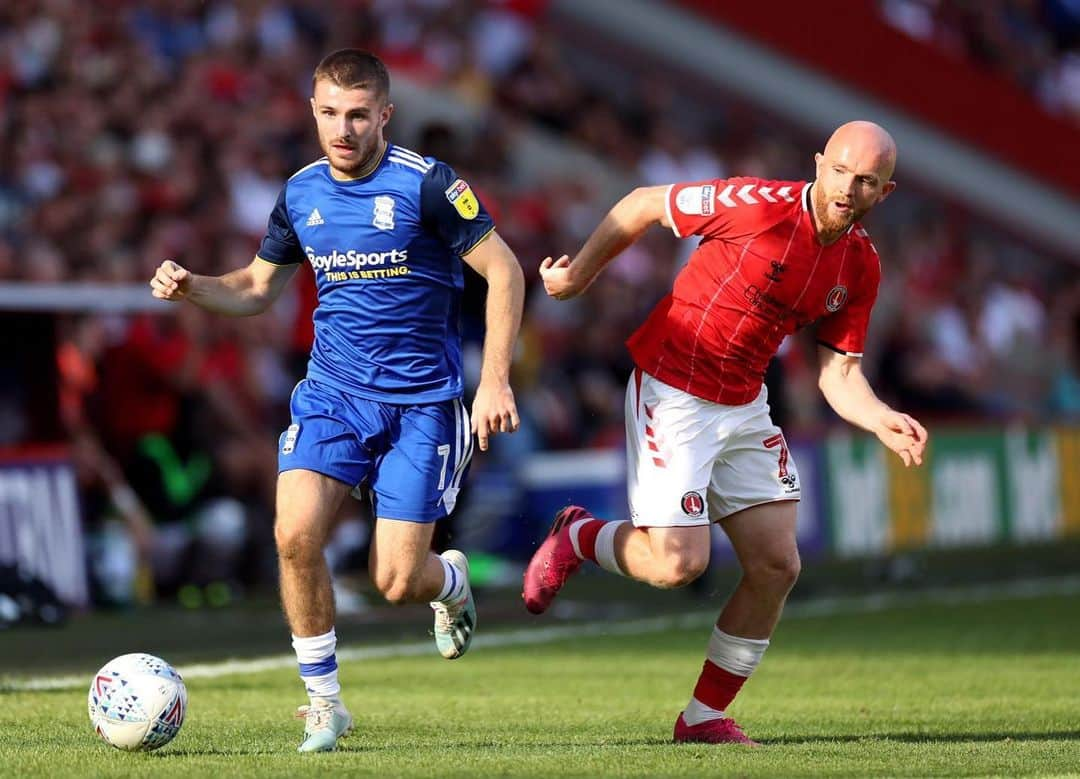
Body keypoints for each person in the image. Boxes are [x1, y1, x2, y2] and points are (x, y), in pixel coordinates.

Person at [150, 49, 525, 752]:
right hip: (333, 395)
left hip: (422, 405)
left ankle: (448, 580)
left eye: (358, 115)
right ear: (313, 111)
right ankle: (325, 703)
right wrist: (193, 285)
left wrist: (494, 379)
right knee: (294, 534)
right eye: (329, 113)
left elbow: (503, 270)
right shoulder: (300, 194)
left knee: (396, 579)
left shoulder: (430, 186)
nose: (343, 129)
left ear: (384, 113)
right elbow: (258, 288)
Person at [523, 121, 927, 746]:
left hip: (743, 404)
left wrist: (880, 417)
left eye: (867, 181)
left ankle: (703, 718)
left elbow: (839, 372)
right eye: (841, 171)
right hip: (674, 389)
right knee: (677, 565)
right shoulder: (757, 206)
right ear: (820, 163)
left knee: (776, 564)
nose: (849, 188)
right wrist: (578, 277)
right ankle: (578, 537)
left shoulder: (861, 265)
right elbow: (642, 205)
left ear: (886, 191)